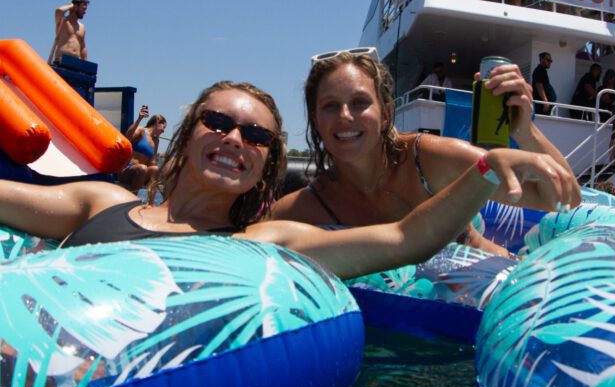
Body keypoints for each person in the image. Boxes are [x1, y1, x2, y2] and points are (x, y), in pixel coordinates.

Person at [0, 80, 575, 281]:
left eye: (255, 138)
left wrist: (484, 166)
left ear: (267, 163)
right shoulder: (100, 199)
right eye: (219, 122)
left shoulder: (264, 242)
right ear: (189, 131)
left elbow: (404, 239)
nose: (233, 140)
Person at [271, 51, 580, 255]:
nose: (345, 116)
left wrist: (525, 132)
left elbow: (565, 199)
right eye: (330, 106)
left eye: (360, 103)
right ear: (315, 120)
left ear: (386, 114)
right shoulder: (307, 207)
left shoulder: (428, 160)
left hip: (490, 291)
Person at [117, 106, 167, 192]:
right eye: (164, 127)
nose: (163, 131)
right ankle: (134, 200)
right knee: (142, 168)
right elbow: (127, 137)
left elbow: (152, 163)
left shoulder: (156, 141)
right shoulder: (141, 131)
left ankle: (150, 202)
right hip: (127, 171)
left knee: (155, 169)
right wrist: (139, 119)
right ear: (158, 122)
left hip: (142, 173)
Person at [48, 0, 90, 65]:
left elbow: (83, 47)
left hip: (76, 63)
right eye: (83, 9)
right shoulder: (63, 21)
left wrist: (85, 64)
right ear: (75, 7)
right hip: (61, 61)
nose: (85, 12)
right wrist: (71, 5)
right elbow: (59, 10)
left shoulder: (82, 27)